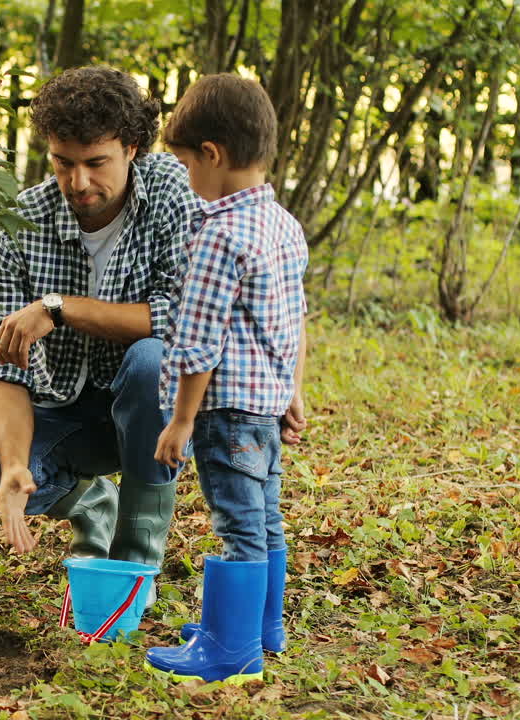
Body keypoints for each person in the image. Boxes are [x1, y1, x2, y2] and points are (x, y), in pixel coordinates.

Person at [0, 66, 198, 599]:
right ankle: (93, 503)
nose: (78, 183)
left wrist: (59, 308)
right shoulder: (22, 221)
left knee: (151, 359)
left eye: (96, 163)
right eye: (62, 163)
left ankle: (135, 564)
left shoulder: (170, 193)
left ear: (132, 147)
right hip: (66, 406)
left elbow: (183, 320)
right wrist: (17, 464)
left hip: (155, 408)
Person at [143, 73, 309, 684]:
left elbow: (199, 339)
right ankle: (262, 627)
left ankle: (230, 650)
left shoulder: (219, 234)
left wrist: (181, 421)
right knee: (264, 517)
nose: (187, 177)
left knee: (237, 524)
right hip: (264, 406)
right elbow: (294, 317)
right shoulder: (283, 225)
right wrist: (293, 388)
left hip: (222, 412)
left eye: (186, 163)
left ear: (211, 155)